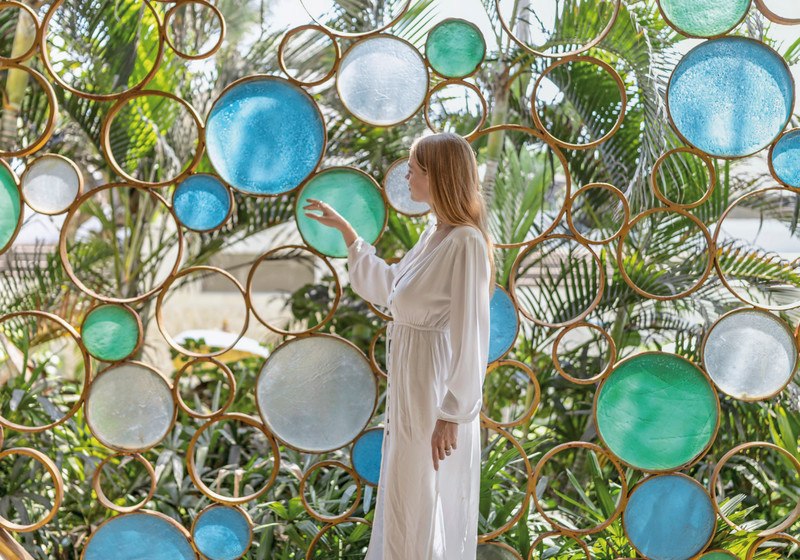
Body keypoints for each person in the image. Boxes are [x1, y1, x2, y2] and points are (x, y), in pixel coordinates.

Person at [302, 131, 495, 559]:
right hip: (409, 385)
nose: (407, 176)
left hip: (432, 390)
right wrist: (349, 234)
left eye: (415, 169)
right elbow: (392, 287)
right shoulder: (434, 235)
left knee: (422, 493)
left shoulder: (465, 242)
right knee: (405, 494)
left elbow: (472, 334)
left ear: (439, 175)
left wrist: (452, 413)